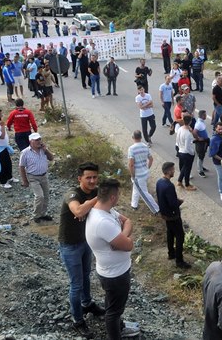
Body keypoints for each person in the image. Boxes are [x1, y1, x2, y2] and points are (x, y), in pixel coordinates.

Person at [85, 179, 139, 339]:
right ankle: (116, 334)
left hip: (111, 271)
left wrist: (120, 237)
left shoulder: (104, 210)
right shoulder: (102, 222)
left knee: (112, 305)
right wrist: (124, 239)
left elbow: (128, 221)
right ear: (113, 197)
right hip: (115, 275)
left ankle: (119, 326)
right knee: (114, 312)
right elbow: (129, 245)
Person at [58, 162, 105, 338]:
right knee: (76, 284)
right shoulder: (72, 193)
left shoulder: (95, 191)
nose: (92, 181)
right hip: (69, 245)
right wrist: (97, 199)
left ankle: (87, 304)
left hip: (86, 242)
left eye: (95, 177)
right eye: (88, 177)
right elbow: (77, 211)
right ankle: (77, 320)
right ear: (80, 179)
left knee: (86, 276)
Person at [155, 162, 191, 269]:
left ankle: (171, 253)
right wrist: (179, 202)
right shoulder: (169, 186)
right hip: (173, 215)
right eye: (173, 170)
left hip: (165, 214)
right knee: (180, 236)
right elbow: (172, 203)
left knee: (170, 233)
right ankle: (179, 261)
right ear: (169, 171)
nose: (174, 171)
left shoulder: (159, 182)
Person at [19, 132, 54, 223]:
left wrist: (46, 150)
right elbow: (21, 166)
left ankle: (43, 214)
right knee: (39, 196)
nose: (39, 141)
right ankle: (36, 215)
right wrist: (25, 180)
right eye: (36, 140)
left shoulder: (43, 149)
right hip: (33, 177)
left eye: (39, 139)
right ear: (31, 141)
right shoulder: (25, 152)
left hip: (44, 176)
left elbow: (51, 158)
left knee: (46, 196)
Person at [127, 130, 160, 213]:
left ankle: (156, 209)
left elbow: (131, 164)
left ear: (133, 137)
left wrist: (132, 175)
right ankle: (134, 205)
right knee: (136, 188)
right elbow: (151, 159)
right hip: (145, 173)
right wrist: (147, 168)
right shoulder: (145, 146)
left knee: (144, 192)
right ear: (141, 137)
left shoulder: (131, 149)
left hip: (138, 175)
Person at [176, 115, 197, 191]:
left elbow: (177, 140)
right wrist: (192, 153)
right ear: (190, 122)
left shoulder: (180, 129)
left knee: (184, 167)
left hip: (180, 150)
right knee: (188, 169)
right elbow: (187, 147)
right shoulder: (188, 134)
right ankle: (187, 184)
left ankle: (179, 180)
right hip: (186, 153)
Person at [210, 123, 222, 203]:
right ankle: (221, 193)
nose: (221, 131)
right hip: (218, 161)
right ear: (215, 129)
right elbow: (213, 154)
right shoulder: (214, 139)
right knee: (221, 176)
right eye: (219, 129)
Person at [193, 110, 210, 178]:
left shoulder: (201, 122)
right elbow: (194, 132)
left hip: (204, 142)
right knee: (200, 156)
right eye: (205, 115)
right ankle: (200, 171)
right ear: (203, 115)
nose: (206, 116)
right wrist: (198, 138)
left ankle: (201, 167)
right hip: (200, 143)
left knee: (202, 155)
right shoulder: (199, 123)